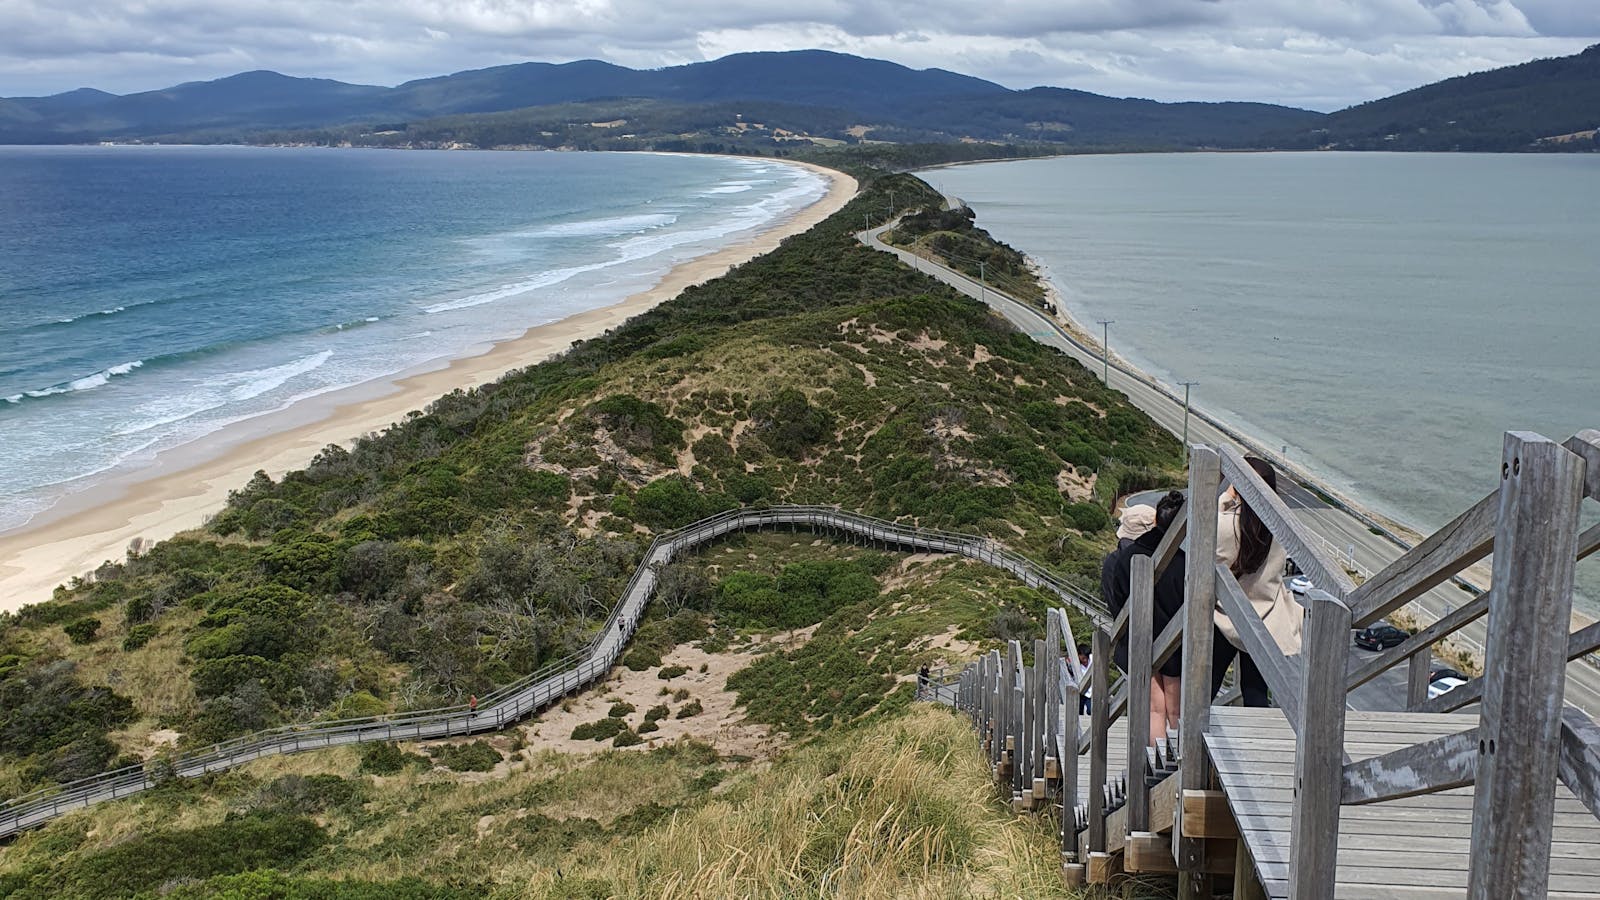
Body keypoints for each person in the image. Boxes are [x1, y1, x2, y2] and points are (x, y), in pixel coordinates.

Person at [1211, 456, 1303, 707]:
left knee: (1207, 684)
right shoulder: (1279, 526)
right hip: (1266, 615)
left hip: (1226, 616)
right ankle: (1259, 740)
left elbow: (1211, 538)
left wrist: (1225, 498)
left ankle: (1190, 738)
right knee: (1255, 690)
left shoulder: (1226, 525)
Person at [1100, 490, 1187, 746]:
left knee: (1154, 710)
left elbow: (1118, 600)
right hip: (1174, 643)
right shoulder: (1184, 560)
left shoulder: (1124, 559)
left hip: (1138, 641)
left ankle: (1156, 769)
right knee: (1176, 711)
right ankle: (1181, 766)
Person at [1076, 643, 1093, 715]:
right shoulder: (1075, 662)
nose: (1085, 660)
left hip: (1091, 691)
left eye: (1086, 658)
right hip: (1079, 690)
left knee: (1090, 710)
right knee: (1078, 711)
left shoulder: (1092, 659)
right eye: (1083, 658)